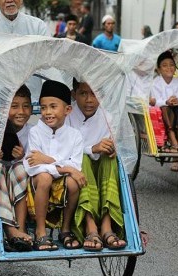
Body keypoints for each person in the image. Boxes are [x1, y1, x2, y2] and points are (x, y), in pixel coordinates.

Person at [24, 80, 85, 251]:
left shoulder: (75, 136)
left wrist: (47, 160)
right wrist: (64, 167)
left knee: (74, 182)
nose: (47, 112)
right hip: (38, 182)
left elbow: (76, 165)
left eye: (53, 106)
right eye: (43, 108)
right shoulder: (35, 132)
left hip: (63, 182)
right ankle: (40, 231)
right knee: (44, 177)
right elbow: (33, 165)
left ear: (67, 110)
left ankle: (65, 230)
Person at [67, 79, 126, 251]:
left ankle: (106, 224)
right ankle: (90, 224)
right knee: (82, 158)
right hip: (75, 170)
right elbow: (66, 151)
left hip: (101, 169)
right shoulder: (68, 115)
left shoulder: (107, 117)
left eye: (94, 94)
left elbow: (113, 142)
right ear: (74, 94)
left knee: (110, 157)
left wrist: (111, 148)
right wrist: (92, 148)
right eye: (83, 94)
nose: (89, 100)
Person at [0, 85, 33, 252]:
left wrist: (23, 157)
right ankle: (10, 229)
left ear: (32, 109)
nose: (21, 111)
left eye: (26, 106)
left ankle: (21, 226)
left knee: (21, 167)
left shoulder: (34, 132)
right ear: (5, 108)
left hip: (19, 176)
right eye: (14, 106)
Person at [150, 51, 178, 171]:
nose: (169, 68)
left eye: (171, 64)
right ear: (159, 69)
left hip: (177, 111)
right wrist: (166, 101)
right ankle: (174, 141)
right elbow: (154, 101)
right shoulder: (155, 83)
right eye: (165, 65)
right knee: (166, 108)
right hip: (163, 112)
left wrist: (177, 100)